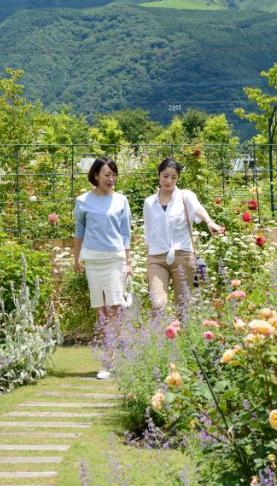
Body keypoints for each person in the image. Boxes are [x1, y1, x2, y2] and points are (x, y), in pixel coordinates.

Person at [72, 156, 131, 380]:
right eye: (107, 174)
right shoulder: (82, 201)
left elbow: (126, 233)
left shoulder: (121, 201)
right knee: (101, 310)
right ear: (96, 175)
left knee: (114, 308)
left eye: (114, 174)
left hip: (116, 259)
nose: (111, 178)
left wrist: (129, 261)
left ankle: (109, 359)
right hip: (94, 261)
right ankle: (110, 356)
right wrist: (76, 259)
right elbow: (79, 232)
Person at [143, 157, 224, 317]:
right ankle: (157, 340)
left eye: (174, 177)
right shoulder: (149, 202)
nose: (169, 180)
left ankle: (182, 340)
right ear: (158, 175)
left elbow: (198, 209)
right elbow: (148, 230)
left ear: (178, 178)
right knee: (157, 304)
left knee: (183, 307)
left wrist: (209, 222)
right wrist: (148, 257)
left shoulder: (185, 196)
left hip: (183, 255)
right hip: (157, 258)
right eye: (165, 176)